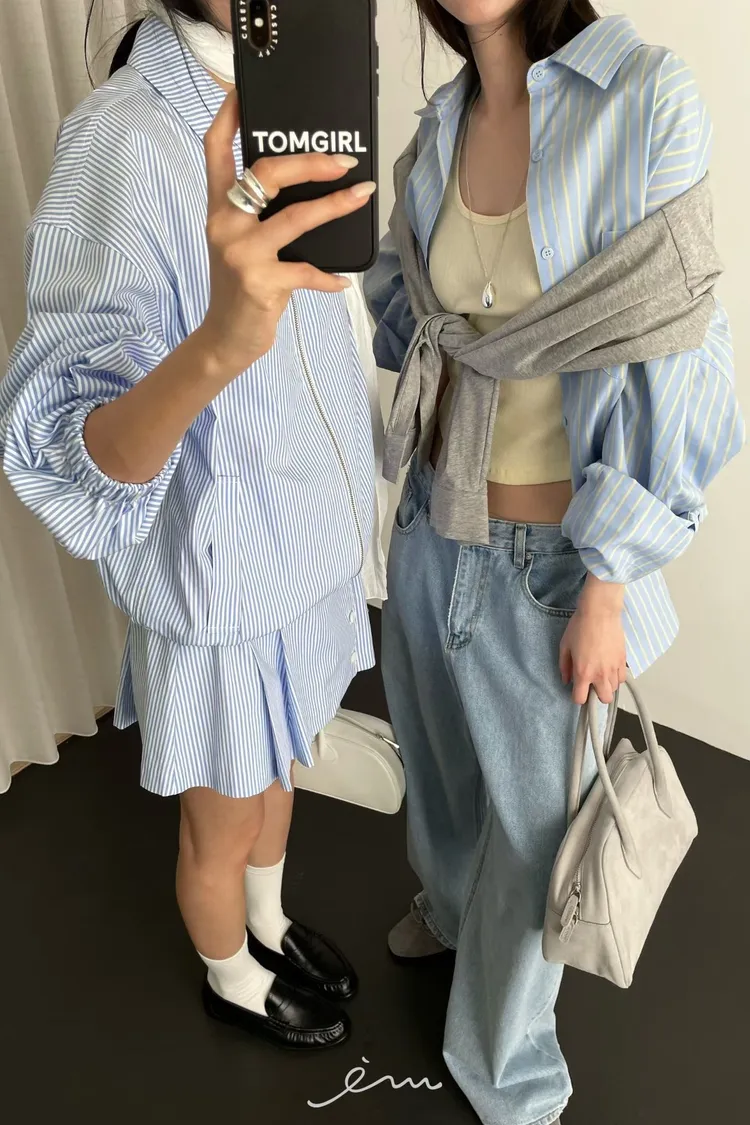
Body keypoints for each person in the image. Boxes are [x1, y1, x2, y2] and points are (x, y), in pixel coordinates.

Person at [366, 2, 743, 1122]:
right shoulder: (438, 124)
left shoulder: (644, 96)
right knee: (439, 777)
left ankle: (508, 1066)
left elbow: (682, 359)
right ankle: (449, 910)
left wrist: (611, 583)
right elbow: (401, 313)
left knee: (539, 838)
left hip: (552, 562)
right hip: (430, 521)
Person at [0, 0, 385, 1050]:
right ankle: (231, 975)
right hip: (221, 583)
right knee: (221, 819)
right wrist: (219, 342)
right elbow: (60, 448)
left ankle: (269, 921)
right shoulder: (123, 136)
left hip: (311, 546)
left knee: (281, 773)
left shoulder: (308, 89)